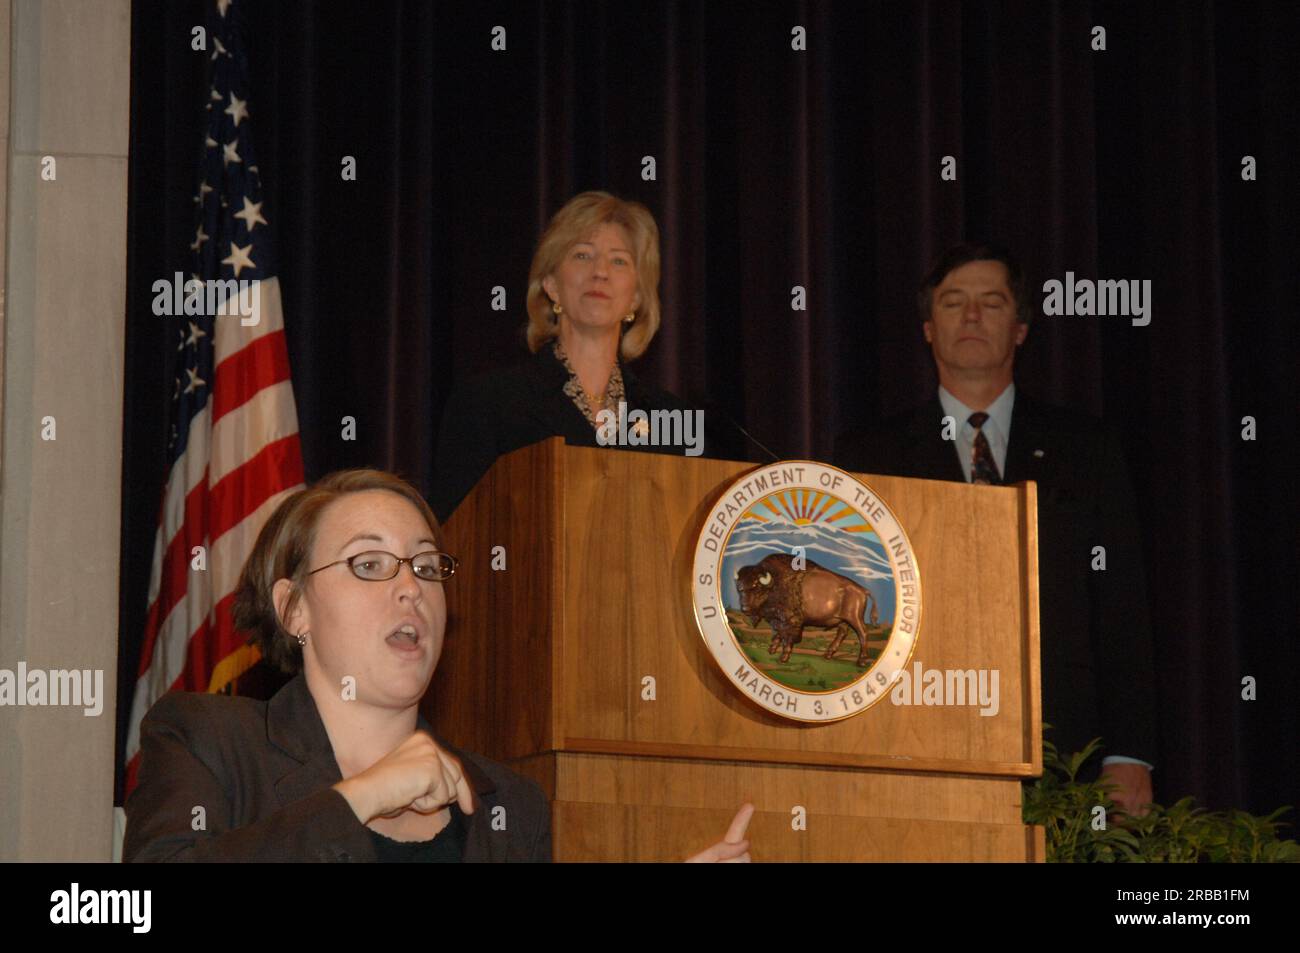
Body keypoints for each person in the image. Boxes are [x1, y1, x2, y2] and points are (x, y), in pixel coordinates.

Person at [124, 468, 752, 861]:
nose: (410, 588)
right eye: (368, 564)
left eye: (426, 566)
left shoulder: (509, 804)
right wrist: (362, 798)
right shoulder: (206, 738)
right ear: (293, 610)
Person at [835, 243, 1159, 816]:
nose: (973, 316)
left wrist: (1128, 753)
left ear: (1021, 328)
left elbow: (1122, 607)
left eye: (992, 301)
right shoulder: (869, 456)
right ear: (930, 329)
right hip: (915, 736)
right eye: (954, 303)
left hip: (1068, 750)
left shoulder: (1087, 450)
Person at [430, 190, 741, 522]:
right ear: (551, 284)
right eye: (582, 255)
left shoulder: (672, 418)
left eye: (619, 260)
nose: (600, 272)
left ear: (636, 297)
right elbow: (456, 537)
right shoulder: (488, 405)